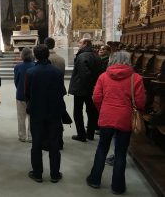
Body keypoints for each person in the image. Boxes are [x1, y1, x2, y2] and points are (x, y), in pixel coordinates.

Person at [86, 51, 146, 195]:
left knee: (102, 149)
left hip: (106, 117)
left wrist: (103, 109)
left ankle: (95, 179)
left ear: (111, 60)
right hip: (125, 119)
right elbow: (140, 101)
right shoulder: (135, 78)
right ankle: (117, 186)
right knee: (120, 153)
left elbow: (96, 97)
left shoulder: (104, 76)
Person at [25, 44, 65, 183]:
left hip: (36, 112)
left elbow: (27, 94)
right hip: (54, 112)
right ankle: (55, 174)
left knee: (36, 143)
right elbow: (62, 92)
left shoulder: (30, 72)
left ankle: (37, 173)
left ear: (35, 56)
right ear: (48, 55)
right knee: (54, 143)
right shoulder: (57, 72)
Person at [69, 38, 102, 142]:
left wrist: (89, 87)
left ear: (86, 44)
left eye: (80, 42)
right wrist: (94, 88)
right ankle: (90, 134)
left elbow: (84, 74)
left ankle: (81, 135)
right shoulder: (96, 55)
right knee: (91, 111)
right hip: (92, 88)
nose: (78, 44)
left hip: (81, 89)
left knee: (78, 112)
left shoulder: (82, 56)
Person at [14, 47, 35, 142]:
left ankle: (22, 136)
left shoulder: (17, 67)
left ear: (22, 55)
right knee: (32, 116)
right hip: (33, 95)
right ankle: (31, 136)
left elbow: (16, 81)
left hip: (21, 94)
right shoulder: (35, 66)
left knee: (21, 116)